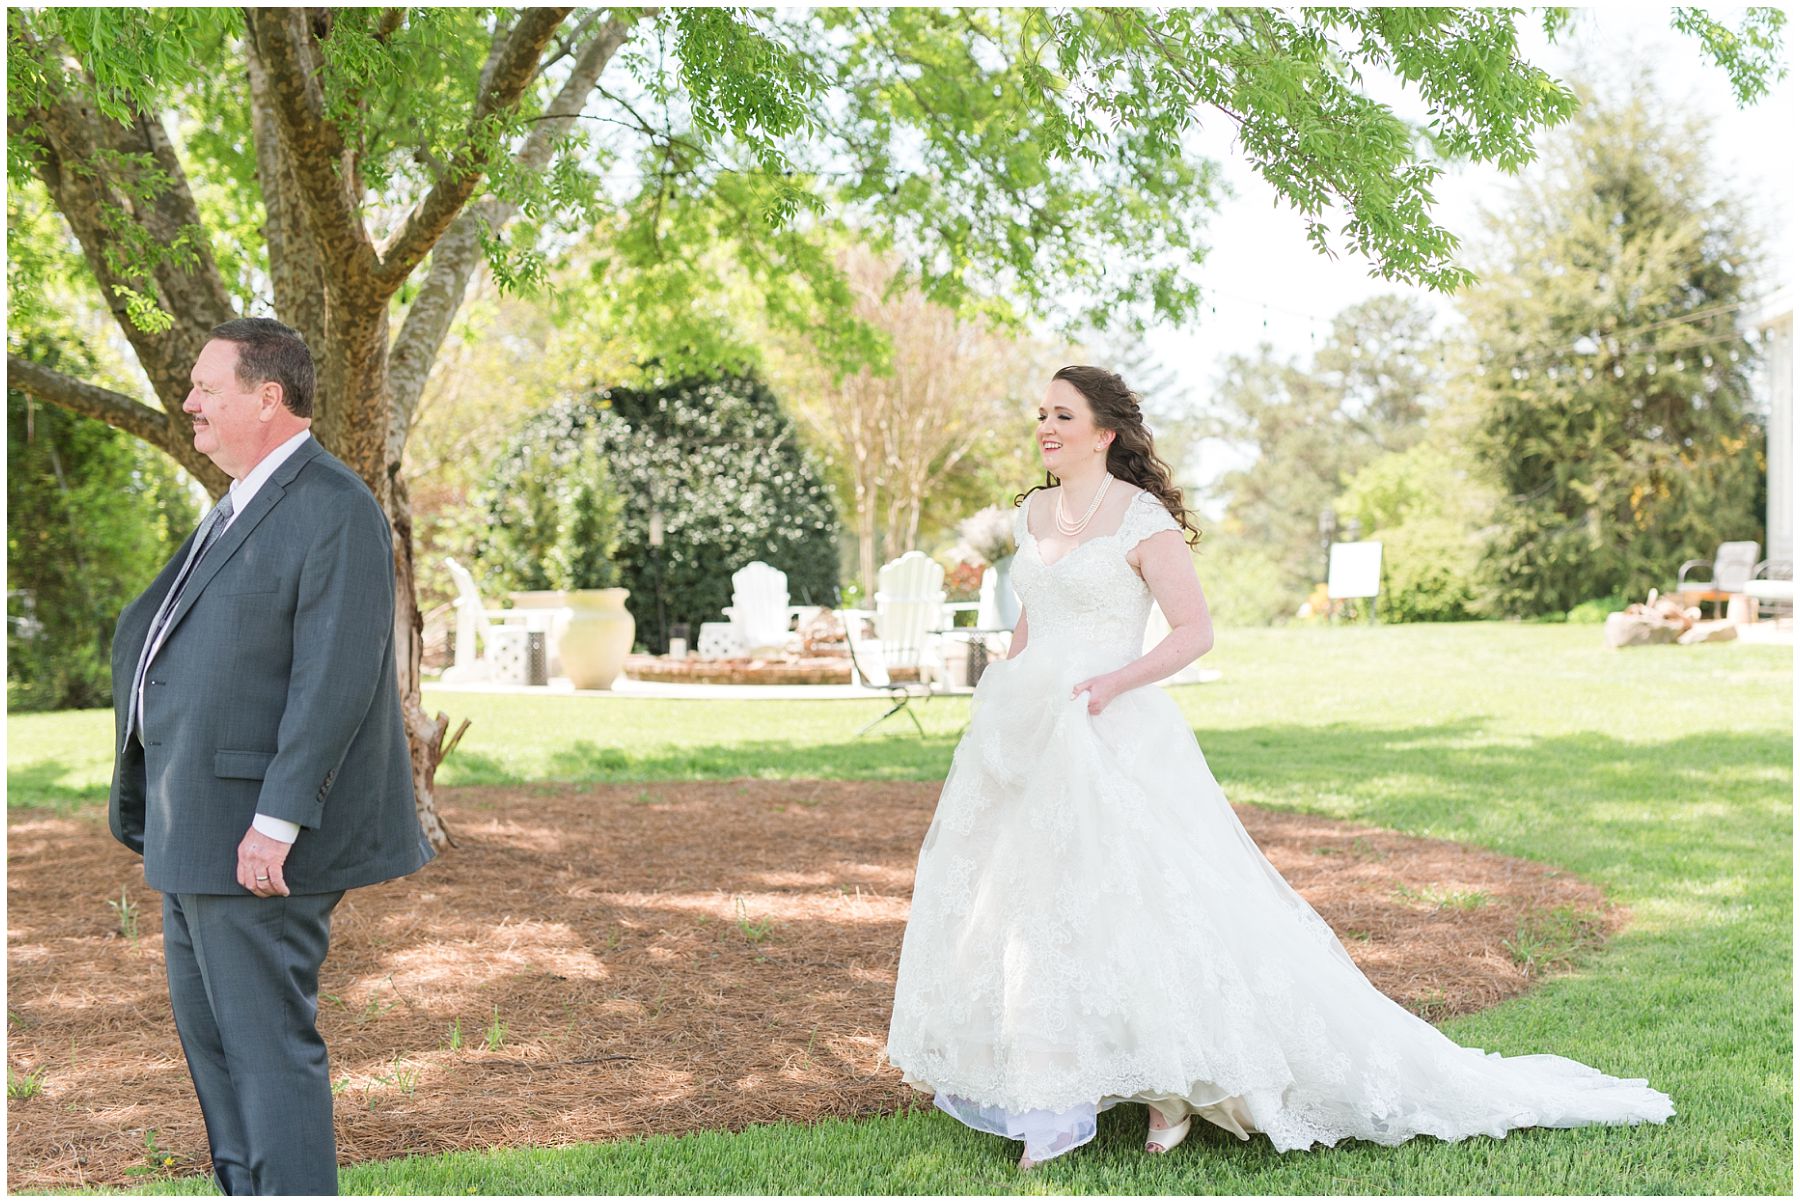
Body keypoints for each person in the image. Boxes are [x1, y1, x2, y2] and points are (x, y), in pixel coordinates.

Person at [884, 365, 1673, 1170]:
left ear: (1104, 430)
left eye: (1063, 413)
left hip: (1115, 726)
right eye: (1041, 413)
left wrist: (1112, 684)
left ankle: (1175, 1085)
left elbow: (1193, 631)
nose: (1046, 426)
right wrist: (1004, 704)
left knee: (1148, 899)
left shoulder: (1139, 516)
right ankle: (1058, 1077)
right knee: (1039, 905)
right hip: (1033, 732)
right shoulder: (1033, 514)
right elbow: (1031, 627)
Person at [107, 317, 435, 1194]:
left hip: (259, 841)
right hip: (194, 830)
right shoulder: (243, 499)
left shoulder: (335, 507)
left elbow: (335, 679)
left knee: (267, 1055)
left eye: (206, 387)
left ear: (268, 396)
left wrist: (276, 822)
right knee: (217, 1056)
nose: (189, 402)